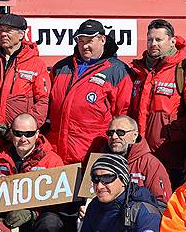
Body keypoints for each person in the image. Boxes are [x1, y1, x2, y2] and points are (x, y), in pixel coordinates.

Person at [128, 19, 186, 185]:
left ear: (172, 41)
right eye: (150, 40)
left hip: (171, 158)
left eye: (158, 40)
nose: (153, 44)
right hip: (139, 154)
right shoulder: (138, 71)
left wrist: (170, 134)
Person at [48, 19, 132, 164]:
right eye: (81, 41)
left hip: (93, 154)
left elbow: (122, 116)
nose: (85, 46)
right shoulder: (61, 68)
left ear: (103, 40)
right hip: (57, 155)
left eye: (90, 41)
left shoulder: (118, 72)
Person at [0, 13, 50, 145]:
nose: (3, 34)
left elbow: (42, 101)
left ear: (21, 35)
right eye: (1, 30)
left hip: (20, 140)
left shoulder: (36, 64)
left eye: (8, 31)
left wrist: (22, 130)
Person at [105, 115, 172, 206]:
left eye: (121, 132)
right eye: (110, 133)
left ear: (135, 135)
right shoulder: (102, 162)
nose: (114, 136)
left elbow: (162, 205)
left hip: (137, 218)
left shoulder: (151, 164)